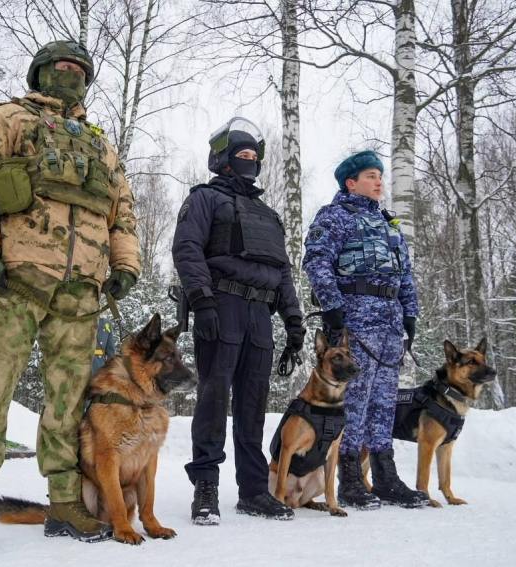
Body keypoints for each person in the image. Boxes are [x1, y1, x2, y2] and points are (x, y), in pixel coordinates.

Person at [0, 40, 140, 556]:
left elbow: (122, 209)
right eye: (63, 67)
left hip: (80, 293)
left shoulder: (100, 143)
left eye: (80, 70)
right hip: (14, 280)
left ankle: (64, 501)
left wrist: (124, 265)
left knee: (69, 403)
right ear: (40, 72)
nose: (72, 75)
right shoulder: (9, 118)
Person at [172, 118, 305, 525]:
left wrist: (294, 322)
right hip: (222, 306)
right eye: (241, 156)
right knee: (214, 400)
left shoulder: (269, 214)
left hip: (260, 317)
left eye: (253, 157)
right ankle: (206, 490)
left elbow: (282, 270)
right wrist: (201, 300)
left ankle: (252, 491)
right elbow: (187, 248)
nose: (249, 162)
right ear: (223, 161)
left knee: (253, 404)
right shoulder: (204, 199)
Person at [301, 150, 427, 509]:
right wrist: (333, 307)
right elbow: (316, 261)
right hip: (355, 321)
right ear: (351, 182)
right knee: (354, 402)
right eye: (372, 176)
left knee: (384, 403)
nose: (379, 182)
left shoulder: (389, 224)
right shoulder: (334, 216)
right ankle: (351, 479)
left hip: (389, 324)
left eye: (381, 176)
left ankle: (386, 477)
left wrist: (410, 315)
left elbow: (404, 274)